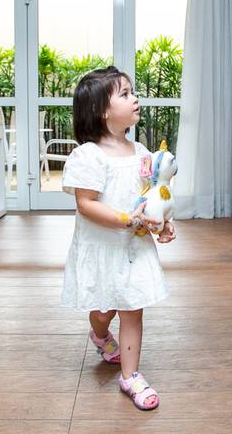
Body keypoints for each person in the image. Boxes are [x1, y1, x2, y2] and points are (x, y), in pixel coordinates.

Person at [61, 66, 174, 410]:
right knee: (103, 310)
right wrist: (128, 219)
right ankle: (99, 334)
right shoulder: (88, 156)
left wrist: (163, 223)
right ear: (102, 111)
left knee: (132, 309)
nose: (135, 98)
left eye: (132, 91)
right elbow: (86, 205)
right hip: (102, 248)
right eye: (124, 94)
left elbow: (151, 196)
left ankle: (130, 376)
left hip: (133, 248)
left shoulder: (141, 152)